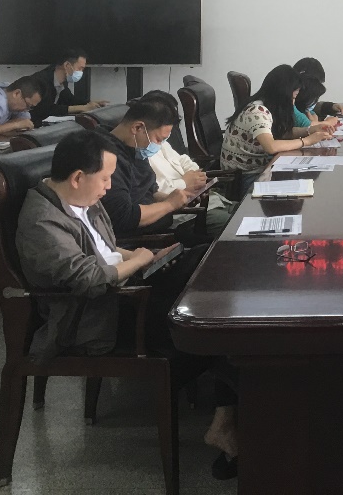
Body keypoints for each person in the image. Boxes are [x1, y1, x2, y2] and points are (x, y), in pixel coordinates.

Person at [13, 128, 238, 474]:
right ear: (77, 177)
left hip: (127, 293)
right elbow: (89, 278)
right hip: (97, 318)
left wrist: (140, 256)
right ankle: (232, 417)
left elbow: (104, 247)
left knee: (207, 265)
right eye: (105, 178)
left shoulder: (78, 199)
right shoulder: (42, 223)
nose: (109, 186)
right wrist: (139, 261)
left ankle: (229, 415)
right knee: (208, 314)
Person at [220, 65, 338, 191]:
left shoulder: (267, 106)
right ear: (282, 94)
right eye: (293, 98)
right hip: (243, 178)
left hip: (257, 170)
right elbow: (271, 146)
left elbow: (281, 134)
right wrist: (307, 141)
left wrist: (310, 130)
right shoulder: (257, 111)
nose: (293, 103)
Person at [102, 98, 208, 239]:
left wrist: (179, 199)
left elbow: (149, 192)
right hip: (143, 239)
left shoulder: (133, 148)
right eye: (158, 140)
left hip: (162, 225)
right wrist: (169, 204)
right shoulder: (106, 157)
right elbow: (125, 217)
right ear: (137, 128)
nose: (159, 146)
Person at [139, 90, 233, 233]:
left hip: (203, 200)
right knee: (239, 224)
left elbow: (183, 159)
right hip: (184, 214)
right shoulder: (141, 150)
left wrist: (193, 175)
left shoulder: (159, 139)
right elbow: (154, 192)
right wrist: (184, 182)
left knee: (245, 212)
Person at [30, 47, 108, 125]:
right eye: (80, 68)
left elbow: (70, 100)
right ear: (67, 65)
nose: (81, 72)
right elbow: (44, 109)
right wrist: (82, 108)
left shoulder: (61, 82)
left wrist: (91, 103)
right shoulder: (40, 81)